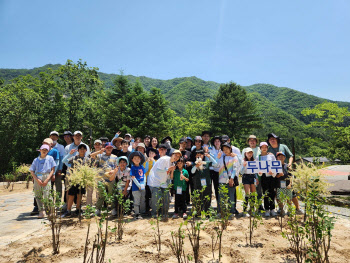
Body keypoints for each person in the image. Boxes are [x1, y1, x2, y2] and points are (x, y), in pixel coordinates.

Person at [147, 150, 181, 218]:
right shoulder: (164, 159)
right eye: (175, 155)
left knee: (166, 198)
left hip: (163, 182)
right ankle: (154, 213)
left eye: (178, 157)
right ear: (172, 154)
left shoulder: (173, 164)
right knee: (156, 198)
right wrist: (168, 169)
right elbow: (158, 170)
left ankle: (164, 213)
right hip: (154, 181)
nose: (176, 157)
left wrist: (172, 171)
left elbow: (170, 177)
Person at [61, 144, 91, 217]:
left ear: (86, 150)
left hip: (82, 180)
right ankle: (68, 210)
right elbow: (64, 161)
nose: (82, 150)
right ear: (78, 150)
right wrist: (69, 154)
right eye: (80, 149)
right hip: (73, 180)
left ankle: (78, 209)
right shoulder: (74, 158)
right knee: (71, 195)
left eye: (84, 149)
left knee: (79, 195)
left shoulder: (87, 159)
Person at [29, 144, 56, 218]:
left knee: (47, 195)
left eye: (46, 150)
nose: (44, 151)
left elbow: (52, 169)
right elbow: (32, 171)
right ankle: (41, 211)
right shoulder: (36, 160)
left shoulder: (50, 158)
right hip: (38, 177)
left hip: (46, 176)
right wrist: (37, 179)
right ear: (40, 150)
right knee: (38, 195)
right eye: (43, 150)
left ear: (48, 151)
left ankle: (50, 211)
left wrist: (47, 179)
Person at [94, 142, 118, 216]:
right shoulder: (100, 156)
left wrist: (113, 171)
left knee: (112, 194)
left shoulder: (115, 157)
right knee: (101, 195)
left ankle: (113, 209)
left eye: (110, 148)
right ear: (105, 148)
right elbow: (91, 156)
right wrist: (99, 151)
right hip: (102, 179)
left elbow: (117, 167)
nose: (109, 149)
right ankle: (98, 209)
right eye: (107, 147)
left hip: (111, 178)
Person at [216, 142, 240, 215]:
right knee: (221, 196)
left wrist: (232, 178)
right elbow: (216, 165)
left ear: (230, 149)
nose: (225, 150)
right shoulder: (222, 157)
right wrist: (218, 157)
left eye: (227, 149)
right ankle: (220, 211)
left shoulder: (234, 157)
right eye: (224, 149)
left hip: (230, 180)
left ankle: (231, 211)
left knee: (231, 196)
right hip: (221, 180)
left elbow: (235, 168)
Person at [191, 149, 217, 213]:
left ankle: (207, 212)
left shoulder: (206, 163)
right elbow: (192, 171)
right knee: (198, 198)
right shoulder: (194, 164)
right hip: (198, 184)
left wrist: (209, 157)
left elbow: (215, 164)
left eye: (200, 155)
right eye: (197, 155)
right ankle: (198, 212)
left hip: (207, 184)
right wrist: (196, 166)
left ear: (203, 156)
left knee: (207, 198)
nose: (199, 156)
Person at [257, 142, 277, 217]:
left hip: (271, 176)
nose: (264, 148)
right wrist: (259, 173)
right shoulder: (258, 157)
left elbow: (275, 165)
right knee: (265, 193)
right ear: (260, 148)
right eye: (262, 147)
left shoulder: (271, 156)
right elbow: (256, 168)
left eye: (265, 147)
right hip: (263, 177)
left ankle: (272, 209)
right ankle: (267, 209)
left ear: (267, 148)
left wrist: (273, 172)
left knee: (272, 193)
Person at [240, 148, 259, 216]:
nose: (250, 154)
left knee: (253, 194)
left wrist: (256, 178)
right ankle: (244, 211)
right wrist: (244, 166)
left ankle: (252, 210)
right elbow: (241, 172)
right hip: (246, 177)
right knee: (247, 194)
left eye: (251, 153)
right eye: (248, 153)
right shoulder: (243, 161)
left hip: (253, 177)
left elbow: (255, 171)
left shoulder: (254, 161)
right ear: (245, 153)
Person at [129, 151, 147, 219]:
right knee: (137, 201)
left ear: (140, 159)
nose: (137, 159)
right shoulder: (133, 168)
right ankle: (137, 213)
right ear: (132, 160)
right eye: (135, 158)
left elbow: (144, 175)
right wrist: (138, 185)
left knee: (143, 199)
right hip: (136, 187)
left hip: (143, 186)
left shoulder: (142, 167)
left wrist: (144, 183)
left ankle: (142, 212)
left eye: (138, 158)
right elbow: (133, 177)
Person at [50, 131, 65, 200]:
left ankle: (58, 203)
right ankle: (50, 203)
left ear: (58, 137)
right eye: (52, 135)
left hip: (57, 170)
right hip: (48, 170)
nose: (53, 137)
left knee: (58, 187)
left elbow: (62, 159)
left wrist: (60, 169)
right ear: (50, 136)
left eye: (55, 136)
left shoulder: (61, 147)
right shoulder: (46, 146)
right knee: (50, 187)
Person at [209, 135, 221, 202]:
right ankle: (208, 204)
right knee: (209, 188)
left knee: (217, 188)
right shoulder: (210, 150)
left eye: (218, 141)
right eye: (215, 141)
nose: (217, 143)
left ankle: (219, 205)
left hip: (219, 171)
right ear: (213, 142)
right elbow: (212, 162)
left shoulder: (222, 150)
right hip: (211, 170)